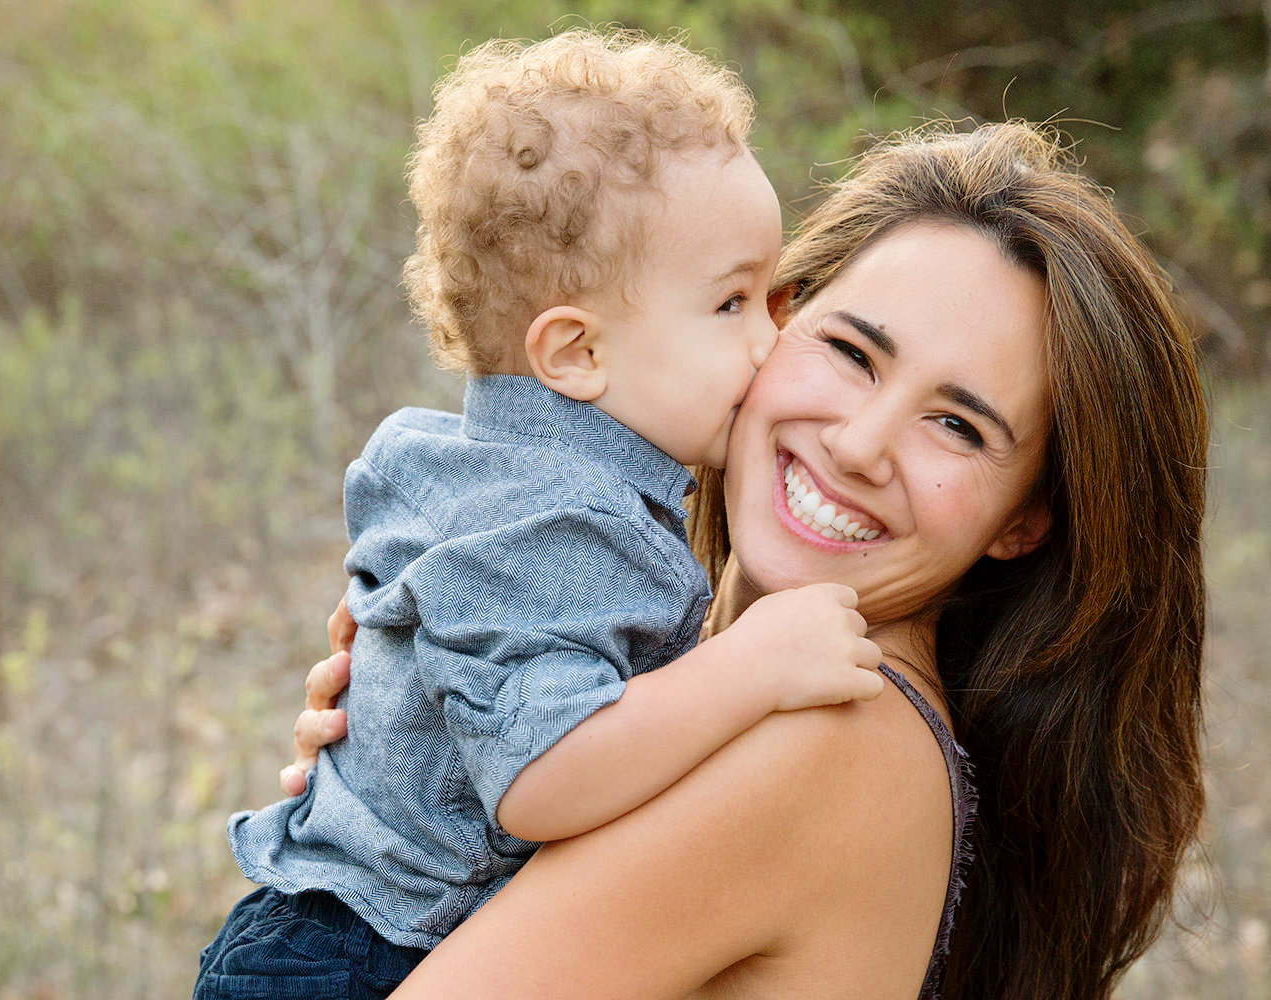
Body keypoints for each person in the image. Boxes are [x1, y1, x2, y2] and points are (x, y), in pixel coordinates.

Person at [283, 121, 1209, 999]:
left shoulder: (835, 737)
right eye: (852, 352)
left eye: (957, 425)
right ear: (764, 322)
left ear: (1023, 523)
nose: (858, 443)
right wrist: (401, 797)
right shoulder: (688, 680)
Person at [194, 29, 889, 1000]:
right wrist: (756, 662)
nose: (774, 343)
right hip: (361, 959)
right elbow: (541, 776)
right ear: (575, 353)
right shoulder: (564, 521)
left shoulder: (479, 473)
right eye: (733, 304)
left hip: (327, 933)